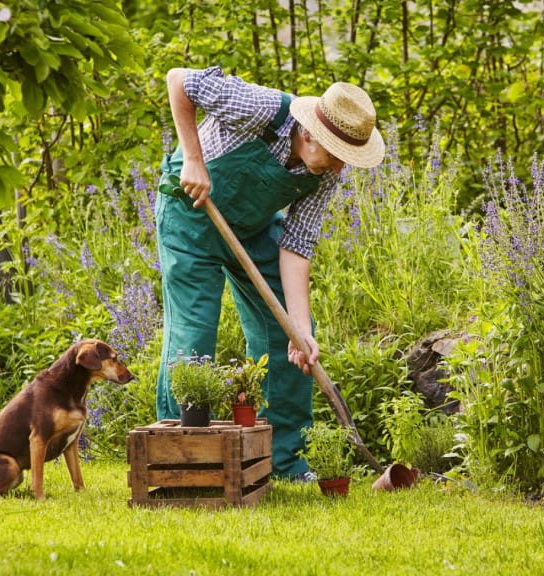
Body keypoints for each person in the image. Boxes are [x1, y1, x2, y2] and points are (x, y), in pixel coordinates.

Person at [155, 66, 385, 480]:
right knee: (194, 338)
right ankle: (180, 456)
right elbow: (178, 80)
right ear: (311, 134)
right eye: (335, 156)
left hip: (252, 227)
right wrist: (192, 159)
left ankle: (282, 460)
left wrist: (299, 327)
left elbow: (297, 244)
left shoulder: (324, 175)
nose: (337, 170)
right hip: (190, 215)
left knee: (292, 337)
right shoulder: (262, 108)